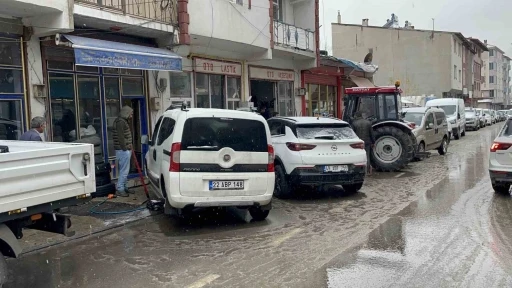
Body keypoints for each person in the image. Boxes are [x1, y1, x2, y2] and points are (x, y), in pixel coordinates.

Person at [113, 106, 134, 197]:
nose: (131, 116)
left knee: (125, 170)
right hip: (123, 150)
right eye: (131, 114)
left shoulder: (121, 121)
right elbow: (121, 137)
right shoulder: (121, 122)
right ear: (126, 113)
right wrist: (125, 148)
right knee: (124, 170)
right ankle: (120, 188)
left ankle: (124, 187)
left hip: (123, 149)